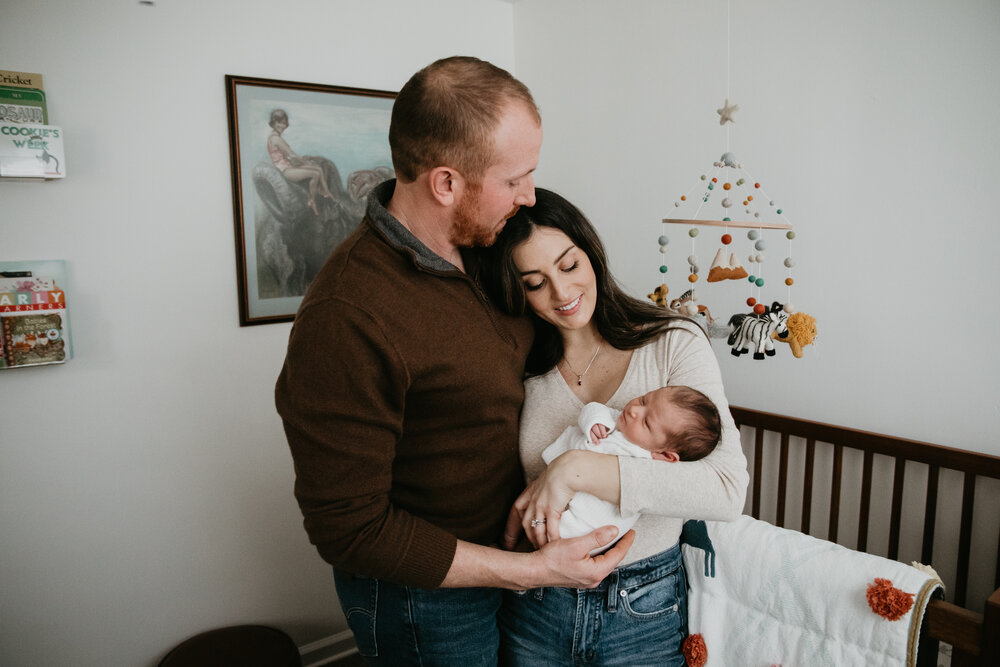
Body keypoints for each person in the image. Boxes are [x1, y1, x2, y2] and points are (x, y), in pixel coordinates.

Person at [274, 57, 634, 667]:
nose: (529, 195)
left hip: (512, 563)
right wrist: (524, 570)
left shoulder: (491, 244)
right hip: (423, 603)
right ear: (446, 183)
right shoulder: (347, 316)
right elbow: (348, 529)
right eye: (515, 178)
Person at [478, 187, 749, 666]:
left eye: (568, 265)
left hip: (642, 607)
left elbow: (726, 490)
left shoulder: (672, 342)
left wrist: (574, 470)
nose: (562, 293)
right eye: (534, 282)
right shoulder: (519, 366)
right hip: (537, 603)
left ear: (591, 253)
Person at [542, 385, 721, 551]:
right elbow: (594, 408)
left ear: (665, 455)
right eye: (644, 400)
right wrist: (595, 421)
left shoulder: (646, 465)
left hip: (582, 526)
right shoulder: (615, 421)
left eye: (646, 423)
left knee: (565, 531)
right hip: (552, 489)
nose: (635, 410)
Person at [267, 108, 335, 215]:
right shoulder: (276, 139)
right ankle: (311, 201)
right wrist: (305, 163)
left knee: (319, 169)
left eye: (284, 123)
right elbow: (291, 154)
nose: (282, 126)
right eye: (278, 122)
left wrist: (301, 162)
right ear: (273, 122)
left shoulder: (274, 137)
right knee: (315, 174)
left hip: (288, 166)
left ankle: (326, 192)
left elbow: (288, 157)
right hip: (286, 171)